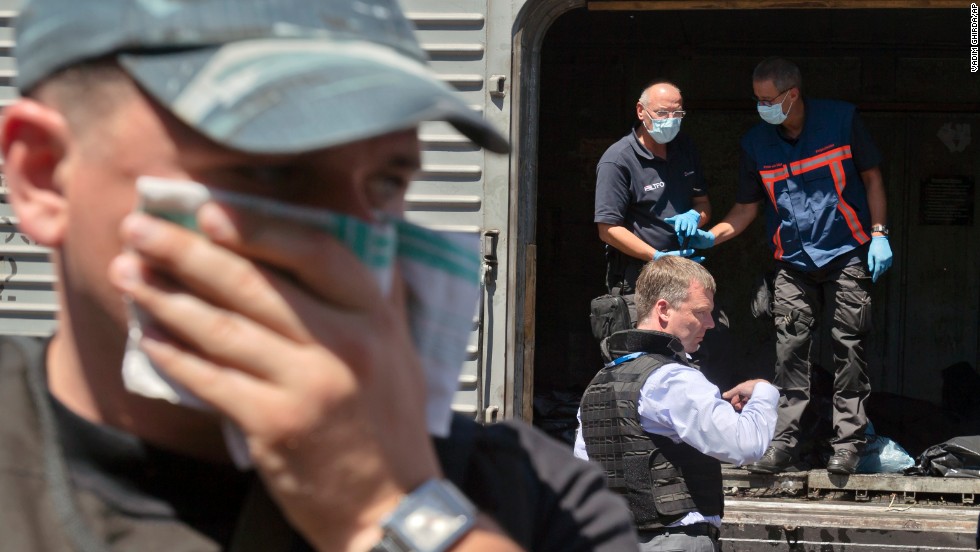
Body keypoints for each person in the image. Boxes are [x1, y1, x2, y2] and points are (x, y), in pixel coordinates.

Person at [0, 0, 640, 550]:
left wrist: (384, 506)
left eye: (385, 181)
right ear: (46, 176)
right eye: (274, 167)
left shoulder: (538, 500)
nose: (354, 239)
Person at [687, 57, 893, 475]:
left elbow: (872, 178)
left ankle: (848, 444)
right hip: (792, 262)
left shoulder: (840, 121)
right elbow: (746, 208)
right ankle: (783, 444)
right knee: (789, 352)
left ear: (792, 94)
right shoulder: (756, 144)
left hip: (846, 254)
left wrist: (880, 233)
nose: (762, 107)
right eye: (757, 99)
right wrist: (712, 236)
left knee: (847, 348)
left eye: (768, 99)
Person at [575, 256, 778, 551]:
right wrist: (763, 393)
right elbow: (745, 444)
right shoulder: (674, 379)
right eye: (701, 312)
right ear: (664, 309)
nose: (710, 323)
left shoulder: (599, 382)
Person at [594, 81, 711, 295]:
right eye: (662, 113)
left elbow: (702, 203)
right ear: (641, 111)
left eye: (677, 114)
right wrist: (658, 257)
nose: (670, 120)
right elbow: (608, 229)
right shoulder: (618, 160)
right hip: (641, 274)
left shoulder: (685, 148)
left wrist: (695, 217)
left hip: (687, 269)